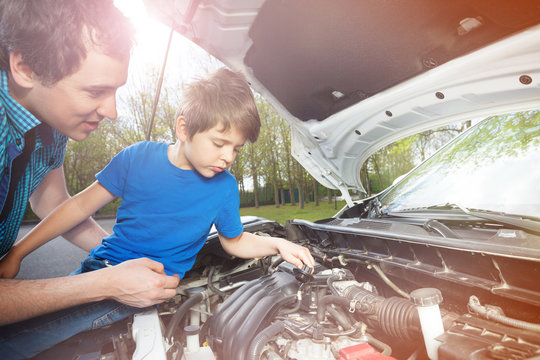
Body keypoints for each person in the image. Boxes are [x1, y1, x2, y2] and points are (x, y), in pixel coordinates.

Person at [0, 67, 315, 357]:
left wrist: (278, 244)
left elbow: (234, 241)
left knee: (34, 342)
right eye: (220, 143)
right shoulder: (137, 158)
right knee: (17, 340)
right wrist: (18, 253)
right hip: (100, 271)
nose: (228, 156)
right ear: (184, 128)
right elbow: (78, 206)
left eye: (236, 148)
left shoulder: (224, 187)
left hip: (142, 293)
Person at [0, 0, 180, 357]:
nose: (112, 112)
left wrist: (120, 252)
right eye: (95, 91)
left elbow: (51, 202)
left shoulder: (51, 121)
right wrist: (105, 283)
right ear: (24, 67)